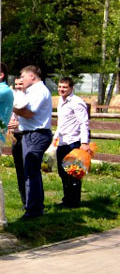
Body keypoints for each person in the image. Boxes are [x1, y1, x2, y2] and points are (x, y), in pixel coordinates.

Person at [10, 65, 53, 220]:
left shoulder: (39, 91)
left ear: (32, 76)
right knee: (30, 171)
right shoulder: (32, 91)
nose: (21, 80)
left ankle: (34, 209)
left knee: (30, 172)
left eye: (23, 77)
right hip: (30, 134)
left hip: (37, 134)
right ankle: (36, 205)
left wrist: (11, 107)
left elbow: (28, 113)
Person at [54, 77, 90, 209]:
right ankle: (67, 199)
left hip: (73, 142)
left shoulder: (77, 102)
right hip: (62, 142)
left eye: (64, 87)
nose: (61, 89)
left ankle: (74, 202)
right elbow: (61, 122)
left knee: (74, 173)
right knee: (62, 172)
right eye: (59, 87)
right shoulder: (61, 101)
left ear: (71, 88)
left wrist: (84, 142)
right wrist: (56, 136)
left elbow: (84, 123)